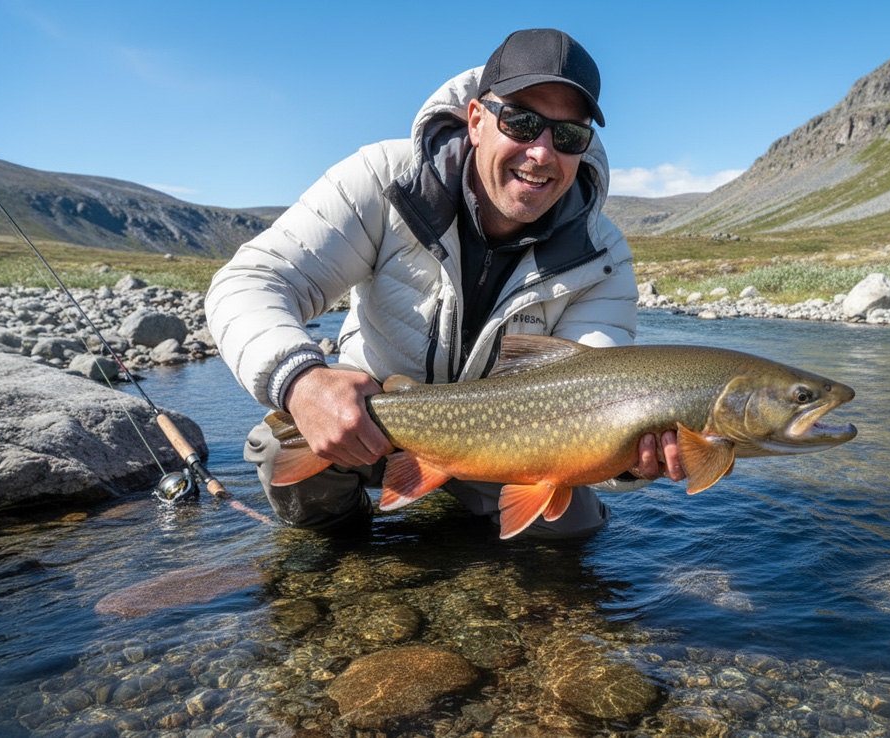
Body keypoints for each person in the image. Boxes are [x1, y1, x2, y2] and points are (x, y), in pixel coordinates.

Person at [205, 28, 683, 537]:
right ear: (477, 120)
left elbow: (597, 402)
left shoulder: (602, 256)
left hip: (507, 448)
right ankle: (342, 557)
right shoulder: (383, 179)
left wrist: (629, 460)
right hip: (372, 427)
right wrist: (302, 382)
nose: (542, 152)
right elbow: (250, 281)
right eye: (522, 122)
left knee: (569, 526)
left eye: (568, 136)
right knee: (282, 448)